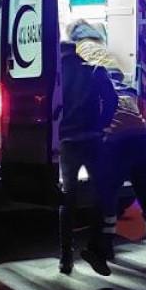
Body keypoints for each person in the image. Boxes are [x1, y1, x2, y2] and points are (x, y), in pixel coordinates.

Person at [58, 40, 118, 277]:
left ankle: (65, 257)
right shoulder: (94, 71)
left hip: (67, 142)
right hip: (92, 140)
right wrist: (101, 125)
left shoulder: (56, 75)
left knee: (68, 199)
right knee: (102, 194)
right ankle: (95, 248)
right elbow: (112, 101)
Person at [99, 76, 146, 269]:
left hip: (117, 143)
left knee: (109, 194)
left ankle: (106, 247)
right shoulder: (130, 91)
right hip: (142, 140)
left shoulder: (100, 89)